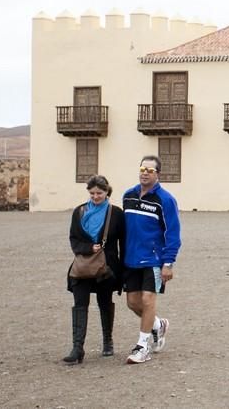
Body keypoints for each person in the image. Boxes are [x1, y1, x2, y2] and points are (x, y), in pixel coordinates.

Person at [122, 155, 181, 364]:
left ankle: (142, 346)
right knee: (132, 303)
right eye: (142, 169)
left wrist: (168, 263)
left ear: (158, 174)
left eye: (150, 170)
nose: (145, 173)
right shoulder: (128, 196)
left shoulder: (165, 200)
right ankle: (158, 325)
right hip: (130, 259)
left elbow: (173, 234)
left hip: (153, 259)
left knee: (148, 300)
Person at [63, 175, 125, 364]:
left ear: (107, 192)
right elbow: (74, 238)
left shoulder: (116, 213)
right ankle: (77, 348)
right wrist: (88, 248)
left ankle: (107, 341)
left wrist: (123, 271)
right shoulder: (79, 212)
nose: (96, 196)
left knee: (105, 302)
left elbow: (124, 242)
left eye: (99, 193)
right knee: (80, 304)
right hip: (83, 266)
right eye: (92, 193)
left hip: (107, 268)